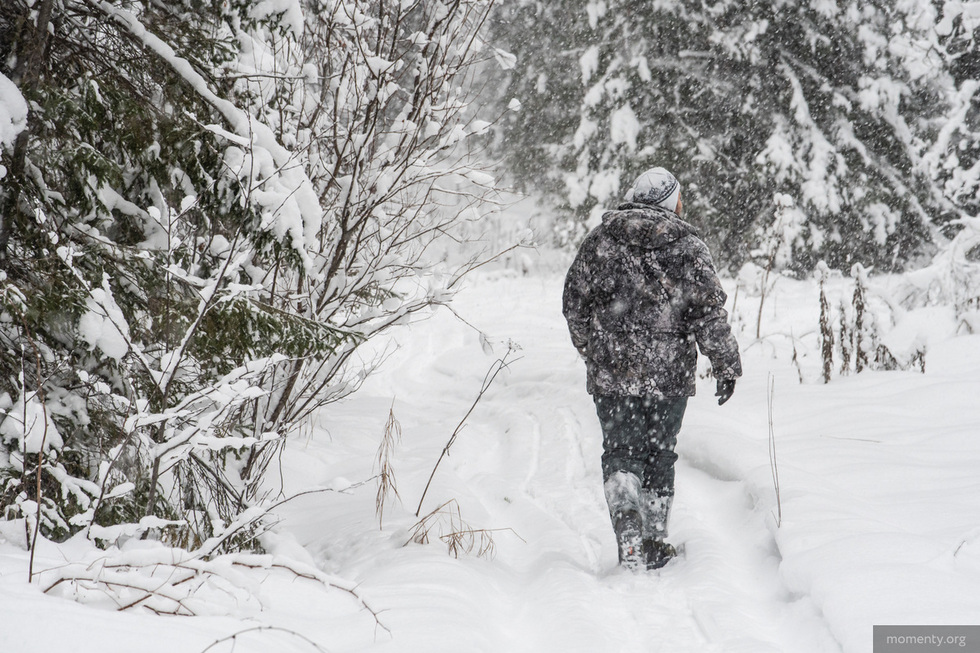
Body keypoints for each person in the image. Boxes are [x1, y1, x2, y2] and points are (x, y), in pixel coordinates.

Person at [562, 167, 742, 571]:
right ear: (669, 202)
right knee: (660, 453)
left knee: (622, 453)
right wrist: (725, 363)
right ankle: (654, 541)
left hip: (614, 372)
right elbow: (709, 313)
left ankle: (628, 531)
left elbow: (574, 304)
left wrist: (593, 349)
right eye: (679, 199)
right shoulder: (688, 247)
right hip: (669, 373)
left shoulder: (601, 242)